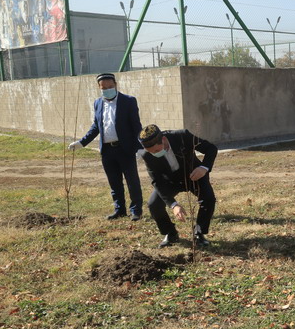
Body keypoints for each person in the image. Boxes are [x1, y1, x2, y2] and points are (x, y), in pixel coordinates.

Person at [68, 73, 144, 221]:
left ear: (115, 84)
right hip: (107, 150)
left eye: (110, 87)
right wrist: (82, 143)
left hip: (125, 149)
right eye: (104, 88)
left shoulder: (128, 101)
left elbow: (136, 125)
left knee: (132, 181)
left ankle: (136, 210)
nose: (107, 90)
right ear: (99, 88)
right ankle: (119, 209)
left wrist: (140, 147)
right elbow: (96, 126)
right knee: (114, 182)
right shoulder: (97, 103)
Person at [138, 124, 218, 248]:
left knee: (208, 199)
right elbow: (157, 182)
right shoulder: (147, 155)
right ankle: (170, 233)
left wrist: (204, 168)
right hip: (170, 182)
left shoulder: (182, 136)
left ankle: (199, 233)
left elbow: (211, 148)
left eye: (156, 151)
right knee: (154, 204)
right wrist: (173, 205)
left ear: (163, 140)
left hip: (193, 175)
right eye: (151, 152)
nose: (154, 154)